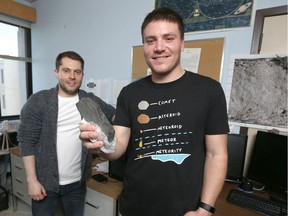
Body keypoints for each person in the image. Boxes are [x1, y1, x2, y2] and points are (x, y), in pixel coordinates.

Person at [80, 7, 229, 216]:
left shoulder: (209, 90)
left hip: (184, 210)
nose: (159, 47)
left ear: (182, 43)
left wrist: (206, 208)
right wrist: (99, 145)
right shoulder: (130, 93)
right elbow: (117, 148)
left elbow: (217, 154)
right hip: (134, 207)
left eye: (168, 38)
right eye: (151, 40)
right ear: (144, 46)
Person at [17, 51, 115, 216]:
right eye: (66, 70)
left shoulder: (88, 100)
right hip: (45, 183)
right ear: (56, 72)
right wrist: (31, 181)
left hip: (76, 184)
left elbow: (114, 115)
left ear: (82, 75)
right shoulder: (39, 101)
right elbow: (26, 141)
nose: (72, 76)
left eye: (77, 72)